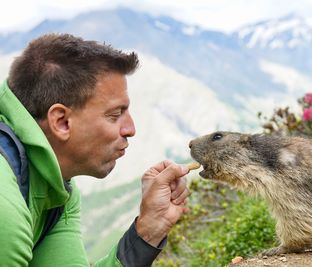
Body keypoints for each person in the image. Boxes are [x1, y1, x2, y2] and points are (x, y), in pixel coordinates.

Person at [0, 33, 191, 266]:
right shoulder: (5, 209)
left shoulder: (57, 189)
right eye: (114, 115)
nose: (131, 129)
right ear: (61, 122)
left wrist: (149, 229)